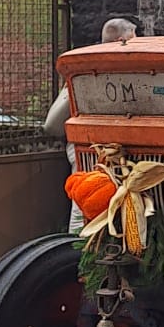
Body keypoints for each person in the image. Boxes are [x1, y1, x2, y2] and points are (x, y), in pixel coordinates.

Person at [44, 17, 138, 230]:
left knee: (84, 211)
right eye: (134, 38)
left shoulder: (83, 67)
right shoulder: (132, 68)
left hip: (85, 149)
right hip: (109, 151)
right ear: (122, 40)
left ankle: (77, 245)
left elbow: (53, 124)